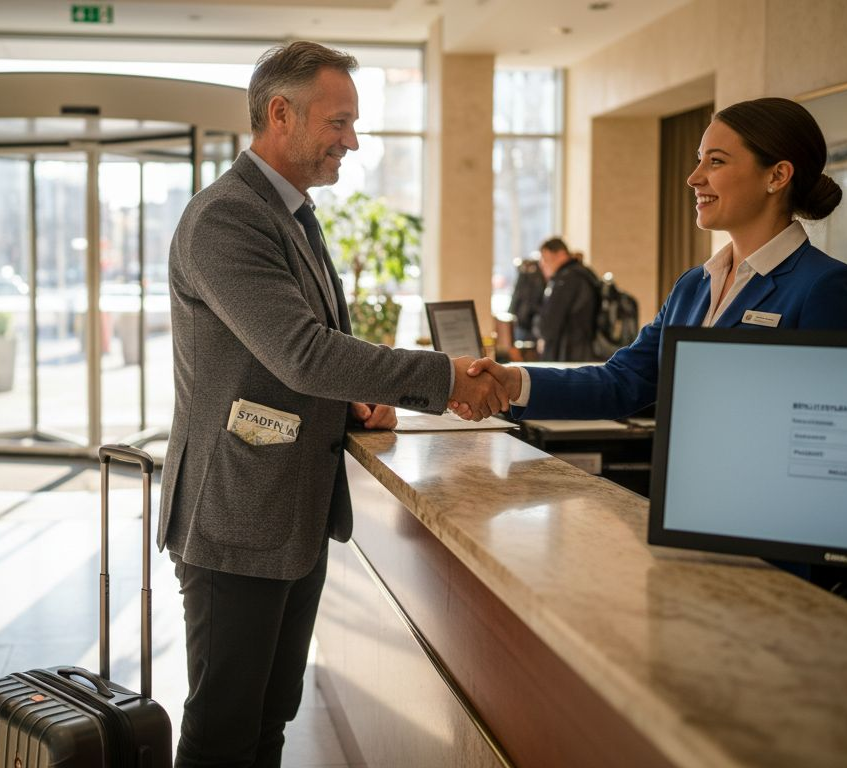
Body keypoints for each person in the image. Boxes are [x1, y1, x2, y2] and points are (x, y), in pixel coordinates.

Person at [160, 41, 507, 767]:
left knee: (271, 719)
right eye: (339, 121)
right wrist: (443, 378)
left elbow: (297, 358)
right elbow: (303, 352)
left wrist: (353, 401)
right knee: (224, 729)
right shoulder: (226, 218)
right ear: (279, 114)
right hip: (237, 517)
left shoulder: (292, 215)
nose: (352, 140)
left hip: (290, 511)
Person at [456, 96, 847, 420]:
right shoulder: (694, 285)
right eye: (699, 160)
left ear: (777, 175)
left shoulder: (826, 287)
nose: (694, 178)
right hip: (683, 506)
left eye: (716, 161)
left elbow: (841, 426)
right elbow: (624, 381)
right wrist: (514, 382)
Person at [533, 236, 600, 361]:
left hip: (569, 355)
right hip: (585, 352)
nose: (543, 265)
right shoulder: (585, 274)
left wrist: (537, 323)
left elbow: (548, 326)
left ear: (561, 254)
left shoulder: (567, 279)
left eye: (546, 259)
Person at [507, 256, 545, 343]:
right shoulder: (526, 277)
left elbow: (516, 298)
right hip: (524, 322)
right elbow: (516, 297)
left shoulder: (535, 278)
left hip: (528, 322)